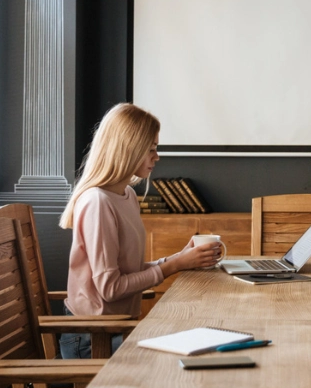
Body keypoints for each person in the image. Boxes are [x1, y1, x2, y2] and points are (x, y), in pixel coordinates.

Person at [57, 103, 221, 358]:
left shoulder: (127, 195)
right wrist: (173, 266)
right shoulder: (97, 202)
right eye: (151, 149)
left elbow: (126, 273)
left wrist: (177, 259)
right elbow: (110, 289)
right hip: (93, 340)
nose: (157, 156)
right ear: (128, 149)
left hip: (116, 329)